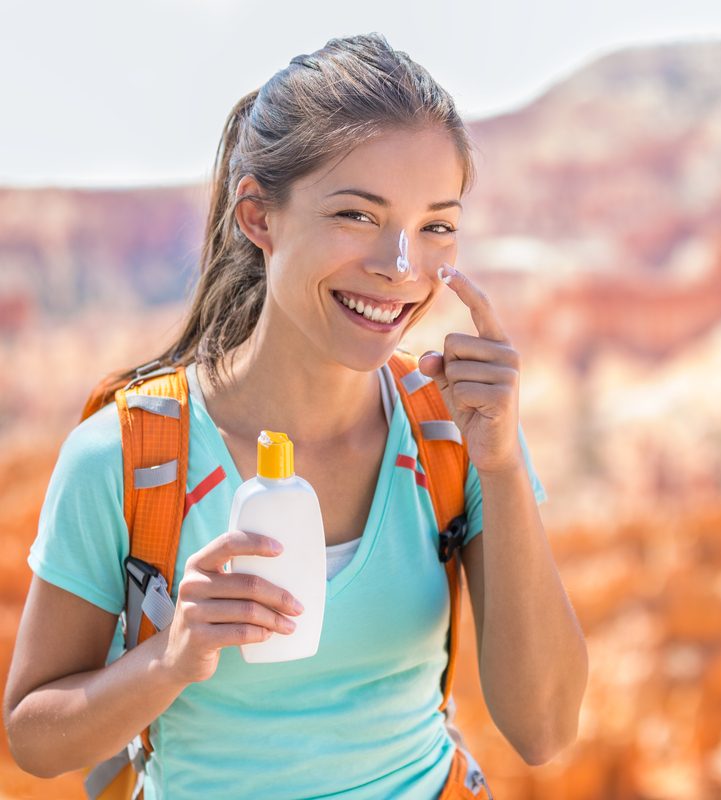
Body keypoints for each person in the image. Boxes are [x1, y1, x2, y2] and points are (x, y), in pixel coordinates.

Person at [3, 33, 588, 799]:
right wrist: (171, 659)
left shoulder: (454, 433)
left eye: (436, 225)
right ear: (258, 217)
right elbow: (34, 739)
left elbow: (542, 729)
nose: (400, 266)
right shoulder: (123, 453)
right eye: (356, 214)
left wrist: (504, 466)